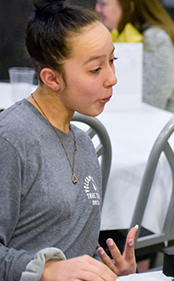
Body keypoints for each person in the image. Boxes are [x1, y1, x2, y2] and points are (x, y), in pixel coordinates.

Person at [0, 0, 138, 280]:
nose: (112, 79)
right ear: (52, 78)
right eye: (95, 69)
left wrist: (107, 269)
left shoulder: (83, 142)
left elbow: (71, 245)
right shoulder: (12, 138)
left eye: (112, 61)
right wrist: (46, 269)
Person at [95, 0, 174, 113]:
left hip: (172, 125)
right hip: (139, 118)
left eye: (103, 4)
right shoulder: (123, 34)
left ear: (129, 6)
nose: (97, 9)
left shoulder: (156, 39)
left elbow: (151, 102)